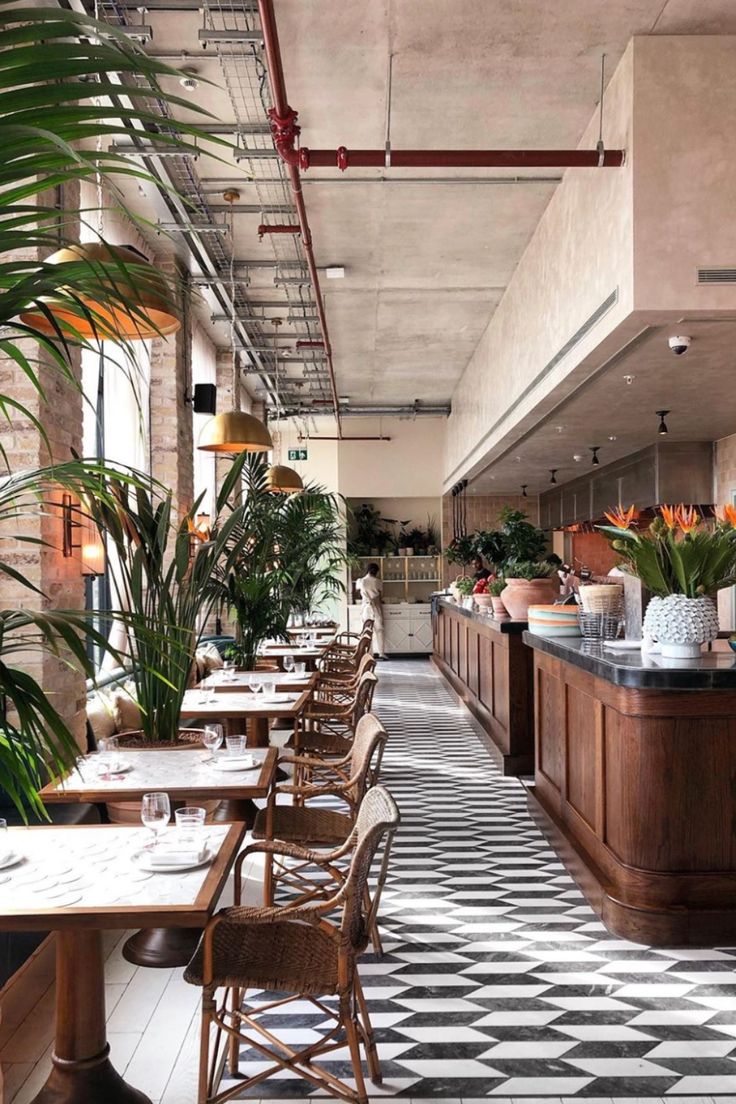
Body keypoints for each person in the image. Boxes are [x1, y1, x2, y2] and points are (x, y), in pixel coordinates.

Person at [356, 562, 387, 659]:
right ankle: (381, 653)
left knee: (367, 631)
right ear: (376, 572)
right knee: (379, 630)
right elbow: (380, 596)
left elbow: (357, 593)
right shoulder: (378, 582)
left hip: (366, 607)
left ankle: (370, 654)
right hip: (376, 607)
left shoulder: (360, 581)